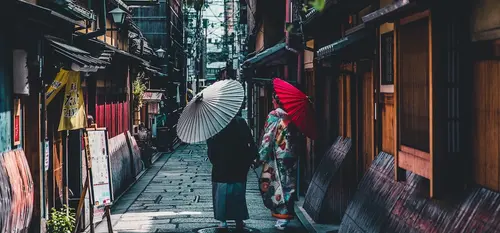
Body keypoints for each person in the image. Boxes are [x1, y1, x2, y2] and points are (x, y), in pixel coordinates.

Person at [207, 110, 258, 229]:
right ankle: (239, 220)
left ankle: (222, 221)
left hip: (221, 165)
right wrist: (250, 159)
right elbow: (250, 142)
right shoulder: (240, 122)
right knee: (238, 193)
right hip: (239, 164)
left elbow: (211, 146)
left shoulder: (216, 123)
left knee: (221, 193)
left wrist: (215, 160)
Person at [255, 92, 297, 230]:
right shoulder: (290, 116)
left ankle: (281, 216)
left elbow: (268, 137)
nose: (272, 101)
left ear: (276, 101)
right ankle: (287, 214)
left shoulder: (274, 115)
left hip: (276, 156)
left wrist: (261, 156)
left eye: (273, 99)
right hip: (290, 155)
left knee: (276, 185)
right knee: (289, 184)